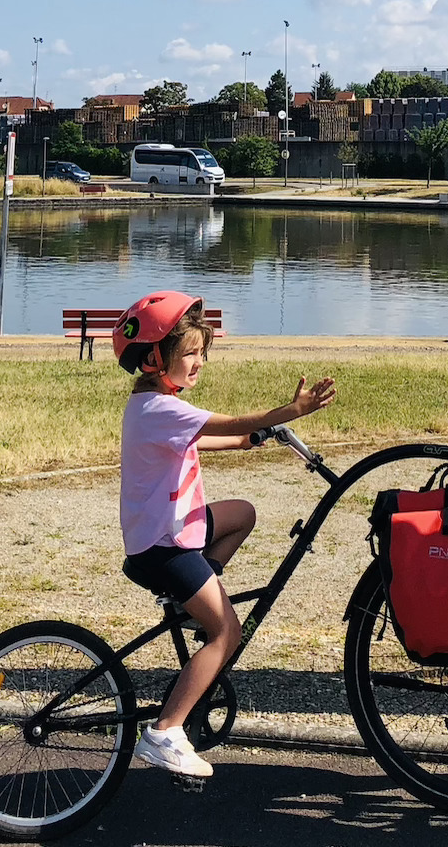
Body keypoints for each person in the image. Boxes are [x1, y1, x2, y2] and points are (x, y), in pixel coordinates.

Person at [112, 290, 336, 778]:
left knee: (241, 513)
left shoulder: (156, 405)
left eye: (202, 353)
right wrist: (289, 412)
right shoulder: (160, 410)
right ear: (155, 358)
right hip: (163, 548)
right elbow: (232, 421)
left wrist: (255, 439)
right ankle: (165, 731)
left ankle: (189, 599)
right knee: (226, 631)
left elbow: (226, 437)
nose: (199, 363)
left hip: (176, 529)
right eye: (189, 353)